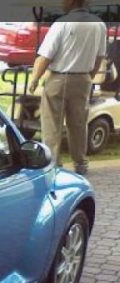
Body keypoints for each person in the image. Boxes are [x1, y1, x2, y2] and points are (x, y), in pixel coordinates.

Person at [28, 0, 107, 174]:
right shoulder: (99, 24)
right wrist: (89, 76)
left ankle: (53, 165)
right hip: (84, 79)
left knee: (52, 125)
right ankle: (80, 164)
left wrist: (35, 79)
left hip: (59, 78)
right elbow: (100, 57)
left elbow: (45, 56)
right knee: (78, 124)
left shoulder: (62, 23)